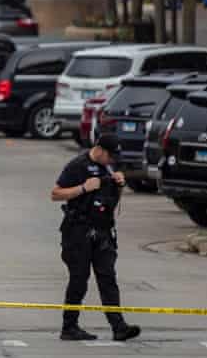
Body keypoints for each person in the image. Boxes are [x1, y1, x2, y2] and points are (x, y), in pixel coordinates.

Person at [51, 134, 141, 342]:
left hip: (103, 232)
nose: (111, 161)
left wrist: (119, 185)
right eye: (109, 155)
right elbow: (55, 194)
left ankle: (119, 327)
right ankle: (69, 326)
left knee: (108, 278)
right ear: (99, 150)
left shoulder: (107, 168)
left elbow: (110, 202)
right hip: (78, 232)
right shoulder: (77, 166)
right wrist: (83, 188)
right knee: (79, 279)